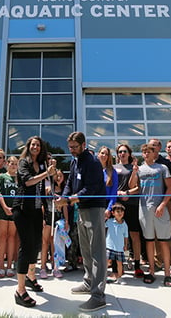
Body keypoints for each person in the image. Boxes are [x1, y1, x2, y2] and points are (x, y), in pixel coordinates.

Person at [59, 131, 107, 313]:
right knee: (86, 249)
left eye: (74, 147)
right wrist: (64, 197)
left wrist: (69, 200)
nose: (71, 150)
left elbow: (92, 188)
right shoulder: (74, 160)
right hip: (82, 209)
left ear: (83, 145)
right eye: (69, 147)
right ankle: (88, 283)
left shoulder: (92, 162)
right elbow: (70, 181)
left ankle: (98, 296)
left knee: (97, 251)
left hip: (94, 208)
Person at [12, 136, 57, 307]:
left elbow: (49, 183)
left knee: (37, 244)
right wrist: (46, 173)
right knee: (26, 246)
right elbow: (28, 181)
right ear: (28, 146)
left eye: (38, 145)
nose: (35, 147)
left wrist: (51, 171)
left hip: (37, 210)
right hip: (22, 209)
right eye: (33, 144)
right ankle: (20, 290)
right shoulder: (24, 162)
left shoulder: (43, 164)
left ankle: (31, 277)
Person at [128, 143, 171, 286]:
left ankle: (167, 274)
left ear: (155, 153)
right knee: (148, 240)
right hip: (144, 208)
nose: (147, 154)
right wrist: (134, 171)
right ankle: (151, 271)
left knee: (163, 241)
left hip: (160, 208)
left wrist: (162, 205)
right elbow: (132, 186)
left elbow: (170, 188)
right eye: (144, 152)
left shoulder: (162, 168)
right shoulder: (140, 169)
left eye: (150, 152)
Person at [114, 143, 143, 277]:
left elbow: (138, 187)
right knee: (116, 235)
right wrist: (118, 194)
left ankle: (137, 265)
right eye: (120, 151)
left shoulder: (135, 168)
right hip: (117, 205)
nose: (122, 153)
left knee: (134, 234)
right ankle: (118, 267)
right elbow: (110, 186)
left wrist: (127, 193)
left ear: (129, 153)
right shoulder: (113, 168)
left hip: (131, 204)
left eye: (125, 151)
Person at [39, 166, 67, 279]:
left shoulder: (65, 190)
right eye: (56, 175)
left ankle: (55, 267)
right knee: (45, 242)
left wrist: (67, 220)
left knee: (55, 243)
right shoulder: (48, 190)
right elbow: (43, 205)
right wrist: (43, 218)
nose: (58, 177)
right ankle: (42, 267)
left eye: (60, 175)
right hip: (48, 216)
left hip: (58, 219)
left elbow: (64, 206)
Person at [0, 156, 19, 277]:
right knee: (2, 236)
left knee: (12, 237)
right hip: (3, 211)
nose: (13, 166)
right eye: (11, 163)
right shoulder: (2, 177)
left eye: (15, 164)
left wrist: (15, 209)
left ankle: (9, 266)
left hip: (15, 211)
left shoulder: (19, 178)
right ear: (7, 164)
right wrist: (4, 207)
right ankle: (1, 266)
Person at [106, 203, 128, 284]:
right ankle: (103, 276)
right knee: (106, 261)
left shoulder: (124, 224)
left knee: (119, 264)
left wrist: (125, 245)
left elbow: (126, 236)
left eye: (122, 212)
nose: (120, 213)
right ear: (113, 213)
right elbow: (102, 226)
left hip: (119, 247)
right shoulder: (109, 221)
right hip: (109, 246)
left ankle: (119, 277)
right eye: (118, 211)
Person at [98, 146, 118, 219]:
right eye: (102, 153)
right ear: (98, 155)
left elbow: (114, 192)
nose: (104, 156)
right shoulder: (93, 170)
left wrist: (109, 209)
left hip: (107, 205)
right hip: (94, 204)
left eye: (106, 154)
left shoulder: (113, 172)